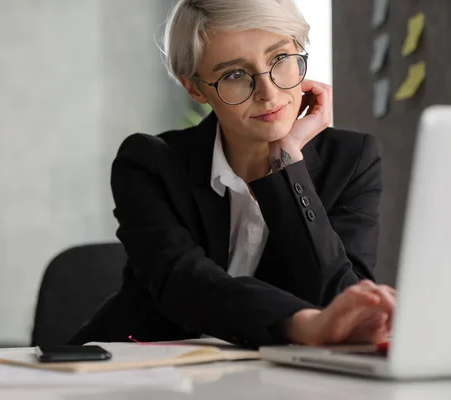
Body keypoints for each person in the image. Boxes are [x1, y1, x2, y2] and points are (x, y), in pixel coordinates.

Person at [69, 0, 395, 348]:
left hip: (276, 380)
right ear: (195, 88)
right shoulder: (149, 163)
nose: (268, 93)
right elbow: (183, 283)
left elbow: (343, 299)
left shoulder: (351, 161)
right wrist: (300, 325)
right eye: (235, 75)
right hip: (139, 369)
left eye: (280, 59)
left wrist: (286, 164)